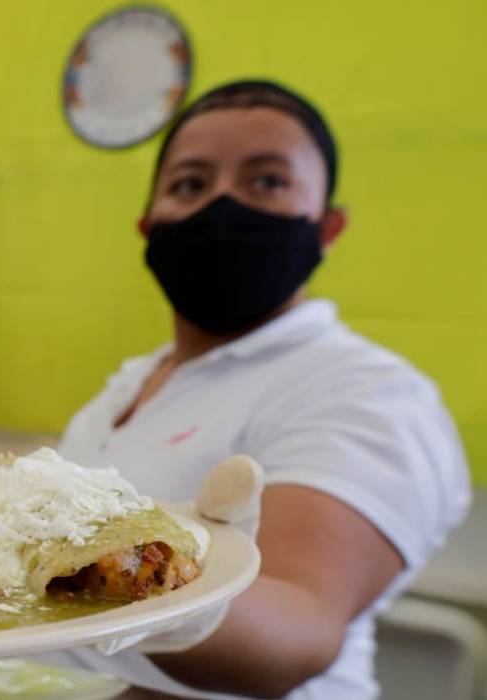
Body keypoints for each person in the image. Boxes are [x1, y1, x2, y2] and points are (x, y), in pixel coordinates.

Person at [53, 80, 471, 698]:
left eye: (267, 181)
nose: (223, 204)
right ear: (149, 228)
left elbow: (302, 625)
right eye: (190, 184)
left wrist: (78, 573)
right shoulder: (131, 383)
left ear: (326, 228)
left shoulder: (369, 392)